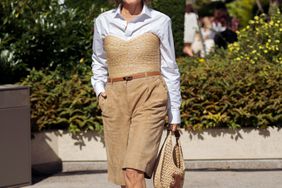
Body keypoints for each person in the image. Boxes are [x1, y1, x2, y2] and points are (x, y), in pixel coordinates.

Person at [91, 0, 182, 187]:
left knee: (133, 170)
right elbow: (98, 62)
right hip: (114, 99)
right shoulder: (103, 21)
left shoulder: (160, 21)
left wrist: (174, 113)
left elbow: (170, 68)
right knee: (124, 176)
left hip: (150, 97)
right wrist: (100, 92)